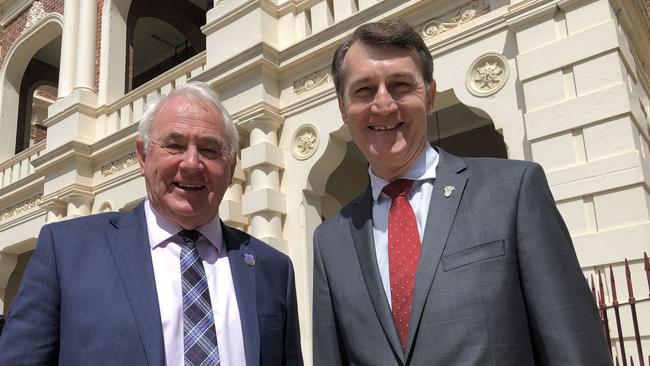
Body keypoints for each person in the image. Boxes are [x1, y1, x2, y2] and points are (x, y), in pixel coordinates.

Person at [312, 19, 611, 365]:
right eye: (364, 90)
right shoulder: (329, 241)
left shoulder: (512, 192)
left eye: (400, 85)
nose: (383, 104)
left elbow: (574, 350)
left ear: (430, 97)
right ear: (343, 108)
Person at [0, 82, 303, 365]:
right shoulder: (67, 252)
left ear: (232, 165)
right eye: (174, 145)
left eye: (210, 149)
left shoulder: (272, 268)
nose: (191, 163)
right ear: (143, 157)